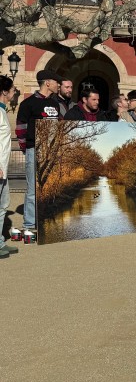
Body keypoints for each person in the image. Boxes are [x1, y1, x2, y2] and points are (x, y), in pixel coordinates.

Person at [16, 69, 62, 232]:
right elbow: (21, 128)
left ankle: (43, 219)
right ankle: (29, 224)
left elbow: (59, 127)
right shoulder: (28, 104)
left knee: (48, 186)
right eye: (57, 82)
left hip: (51, 153)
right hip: (33, 150)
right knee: (32, 189)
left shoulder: (56, 104)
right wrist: (26, 147)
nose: (59, 85)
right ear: (47, 83)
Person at [0, 76, 18, 258]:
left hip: (3, 168)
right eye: (13, 90)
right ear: (4, 92)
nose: (14, 93)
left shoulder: (3, 111)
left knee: (3, 205)